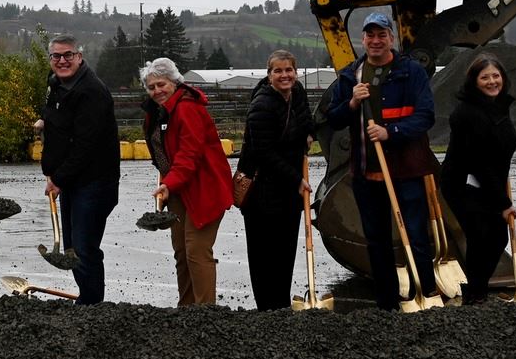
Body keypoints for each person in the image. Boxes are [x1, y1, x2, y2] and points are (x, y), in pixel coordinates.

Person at [322, 11, 438, 310]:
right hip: (366, 172)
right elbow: (332, 119)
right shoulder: (350, 76)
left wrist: (391, 132)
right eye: (370, 35)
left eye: (381, 35)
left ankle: (424, 293)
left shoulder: (411, 72)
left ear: (391, 38)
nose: (376, 41)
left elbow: (426, 116)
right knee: (377, 240)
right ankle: (387, 302)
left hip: (407, 169)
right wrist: (352, 102)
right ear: (363, 39)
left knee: (416, 234)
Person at [139, 57, 233, 308]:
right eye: (151, 87)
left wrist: (170, 183)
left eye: (161, 84)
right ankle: (186, 308)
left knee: (196, 250)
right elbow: (164, 153)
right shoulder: (158, 112)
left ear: (174, 82)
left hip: (204, 187)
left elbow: (189, 154)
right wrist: (167, 182)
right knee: (181, 251)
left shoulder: (187, 108)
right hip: (178, 188)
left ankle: (205, 311)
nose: (157, 91)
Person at [236, 50, 319, 311]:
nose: (285, 75)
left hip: (288, 190)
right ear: (269, 74)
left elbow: (307, 118)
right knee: (264, 255)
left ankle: (281, 306)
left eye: (289, 70)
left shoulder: (298, 92)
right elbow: (264, 152)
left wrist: (310, 133)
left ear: (295, 72)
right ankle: (266, 309)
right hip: (262, 191)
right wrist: (296, 179)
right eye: (278, 71)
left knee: (285, 252)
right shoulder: (262, 104)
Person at [40, 34, 119, 304]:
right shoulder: (55, 84)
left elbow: (85, 145)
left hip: (95, 182)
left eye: (68, 55)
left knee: (85, 248)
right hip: (71, 180)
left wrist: (59, 178)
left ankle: (93, 305)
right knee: (73, 247)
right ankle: (87, 298)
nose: (62, 61)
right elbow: (59, 127)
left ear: (79, 57)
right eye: (56, 56)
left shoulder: (92, 91)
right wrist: (52, 170)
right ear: (50, 59)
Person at [440, 52, 516, 304]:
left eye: (496, 76)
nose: (492, 81)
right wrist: (504, 204)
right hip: (462, 184)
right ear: (474, 81)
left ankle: (477, 290)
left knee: (496, 236)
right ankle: (475, 295)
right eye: (485, 77)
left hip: (488, 181)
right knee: (482, 234)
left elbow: (498, 152)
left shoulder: (499, 107)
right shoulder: (466, 114)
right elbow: (479, 162)